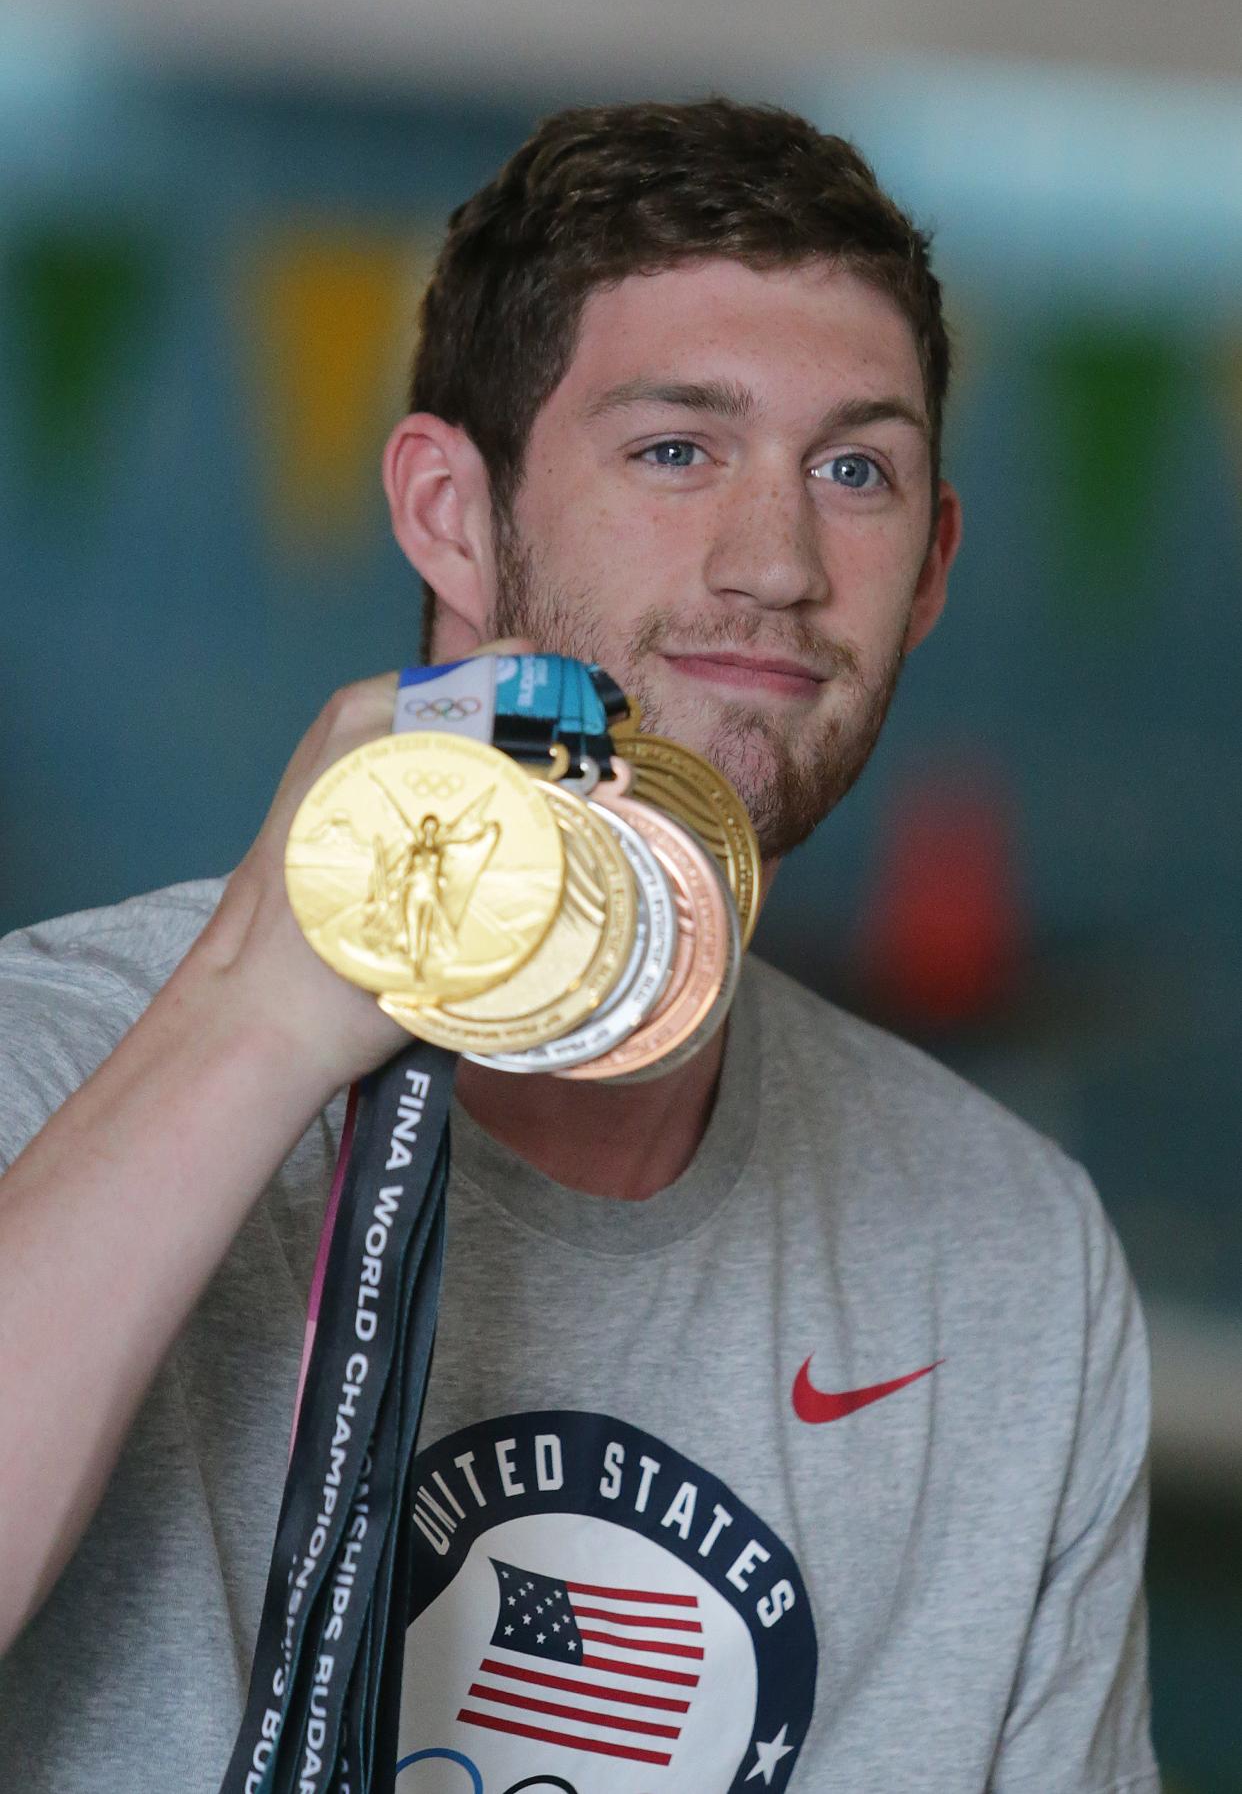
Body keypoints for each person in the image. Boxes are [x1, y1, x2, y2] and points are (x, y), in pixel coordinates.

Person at [0, 98, 1157, 1792]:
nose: (775, 564)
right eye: (675, 449)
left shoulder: (1013, 1259)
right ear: (449, 514)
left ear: (930, 569)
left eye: (854, 470)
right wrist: (256, 1019)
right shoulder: (51, 1059)